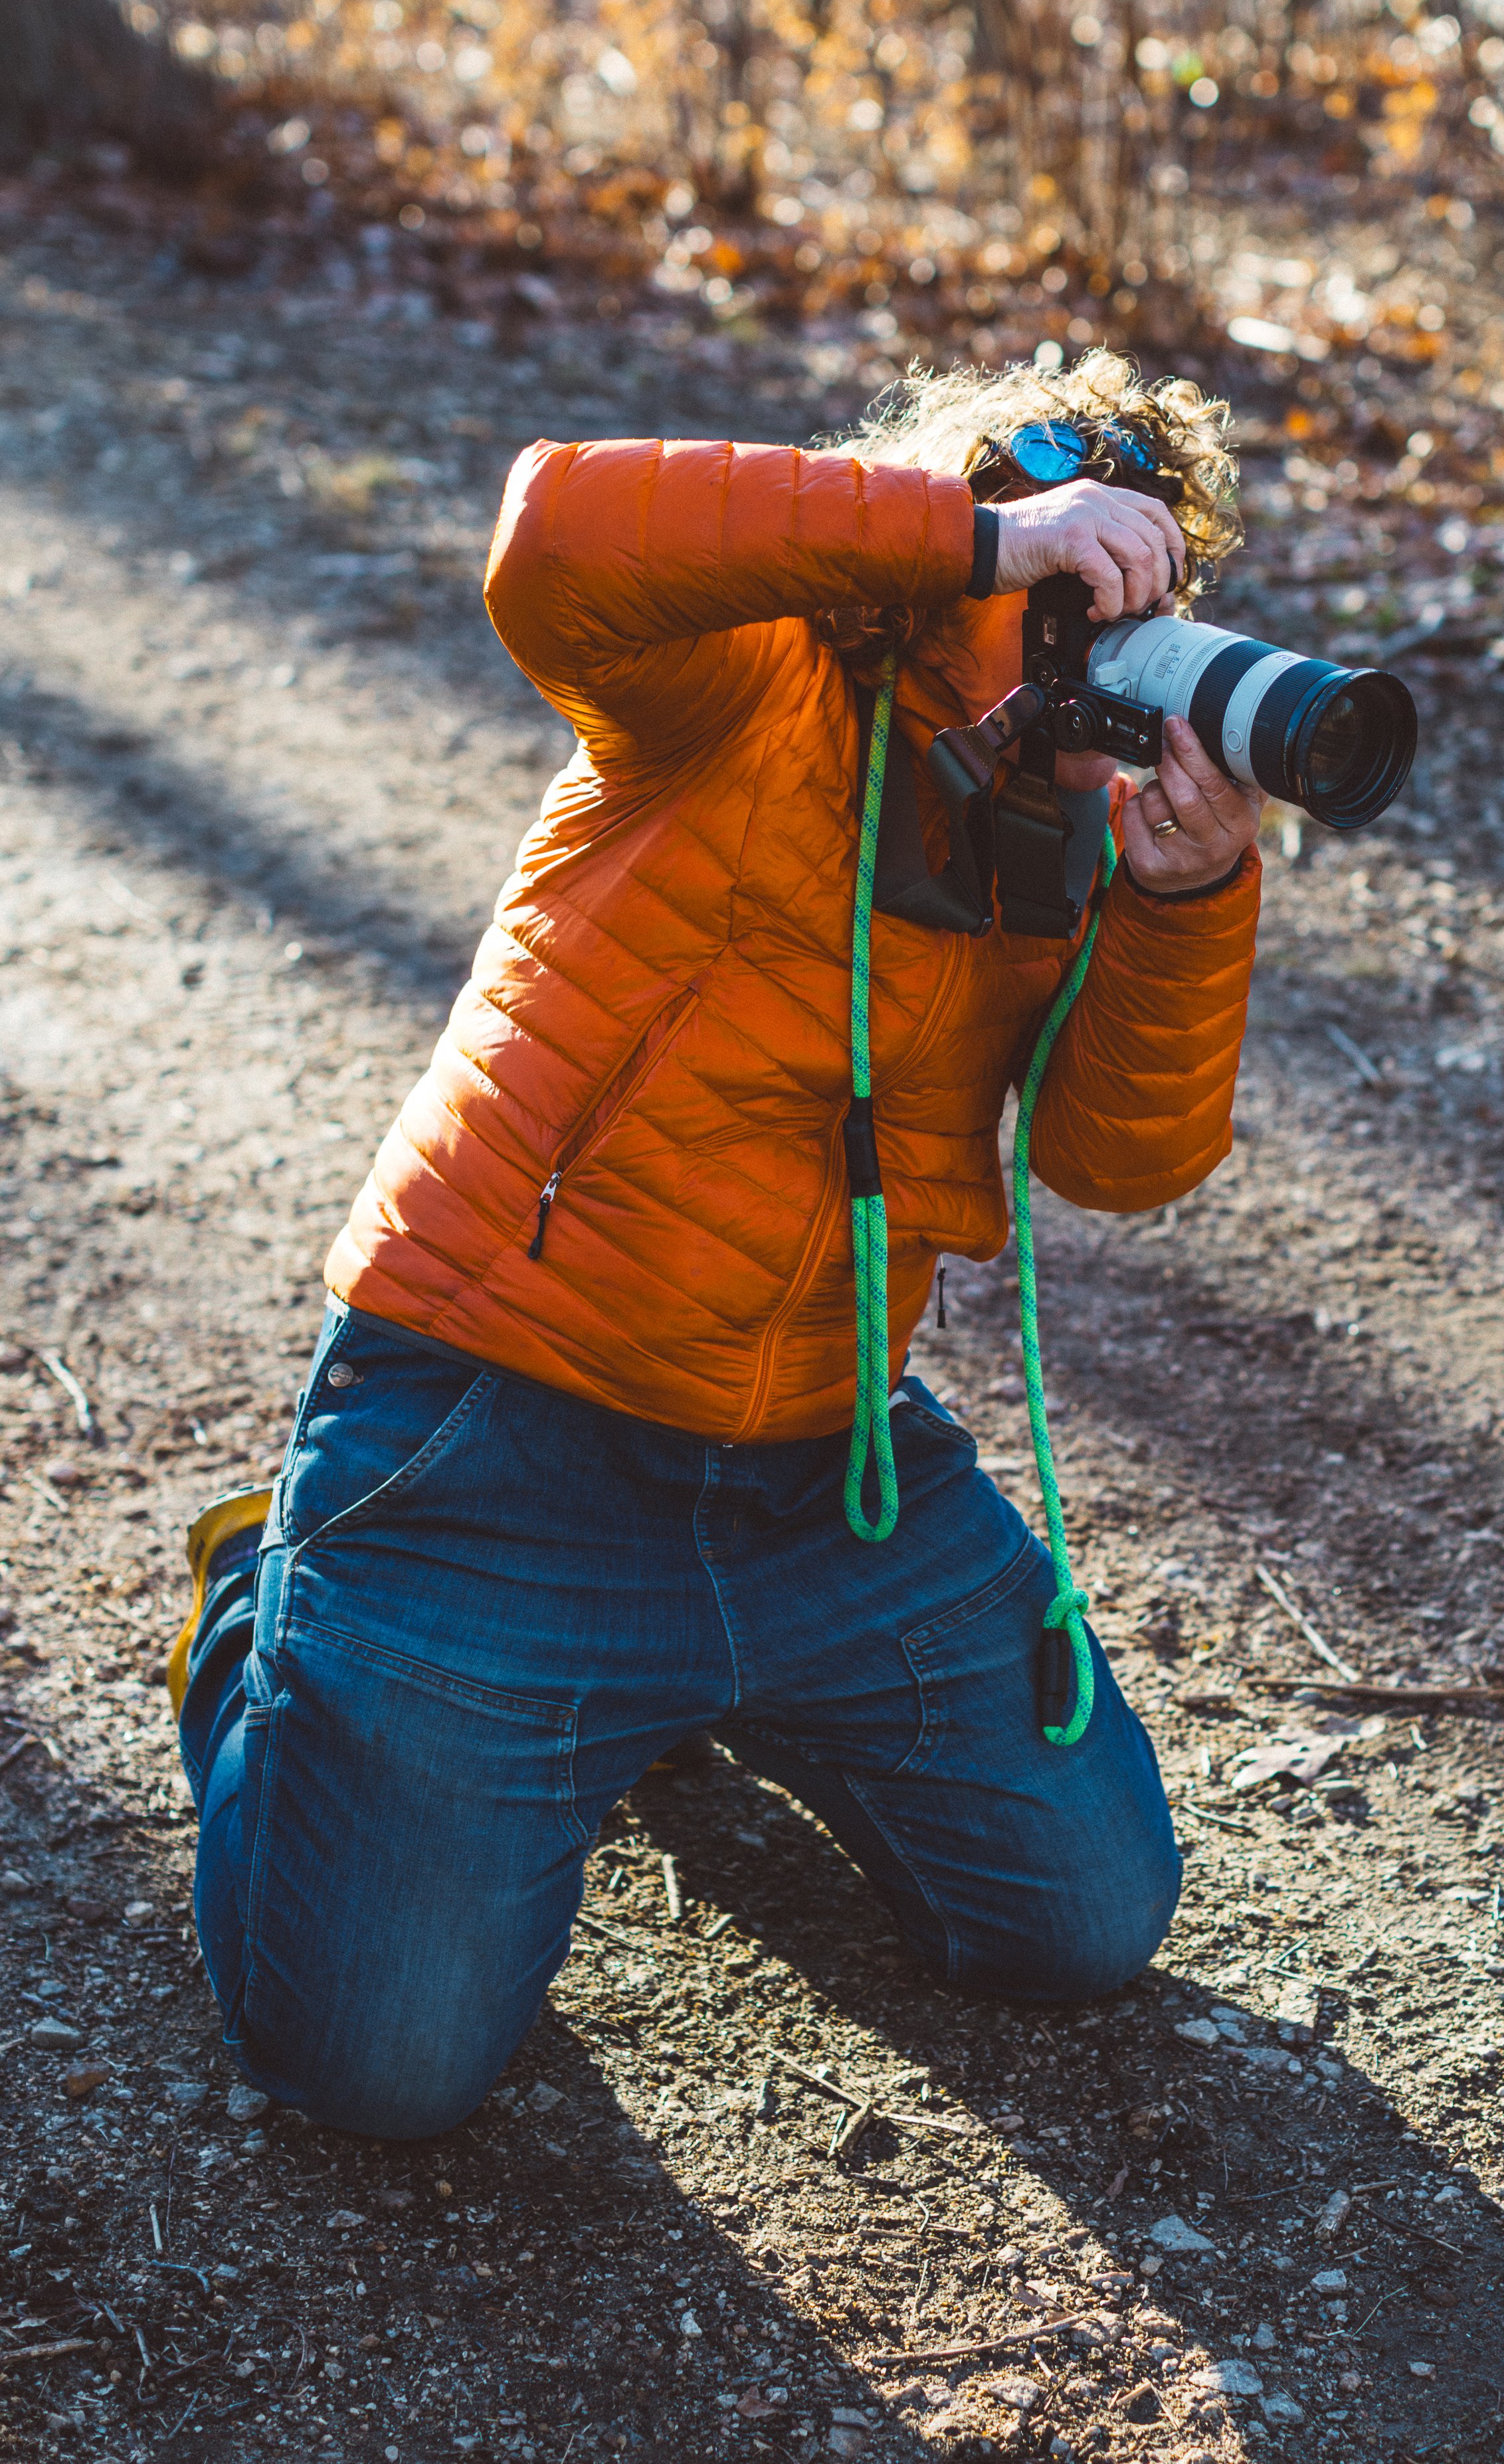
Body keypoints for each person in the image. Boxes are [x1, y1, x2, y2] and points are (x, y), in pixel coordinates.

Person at [169, 351, 1264, 2139]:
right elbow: (555, 533)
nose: (1080, 630)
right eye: (1055, 576)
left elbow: (1117, 1160)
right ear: (966, 542)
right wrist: (963, 536)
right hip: (498, 1436)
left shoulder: (1065, 821)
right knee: (374, 2070)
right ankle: (264, 1617)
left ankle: (673, 1696)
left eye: (1127, 589)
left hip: (825, 1479)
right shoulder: (738, 674)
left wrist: (1185, 894)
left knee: (1081, 1921)